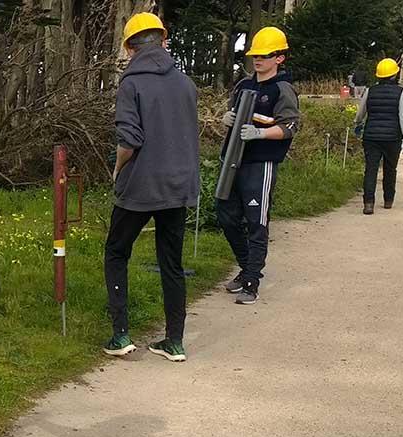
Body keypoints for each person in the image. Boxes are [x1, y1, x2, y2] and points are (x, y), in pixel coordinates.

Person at [103, 13, 199, 363]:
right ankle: (174, 342)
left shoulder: (131, 84)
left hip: (141, 186)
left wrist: (117, 169)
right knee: (171, 262)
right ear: (163, 39)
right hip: (179, 186)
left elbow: (129, 139)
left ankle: (120, 335)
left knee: (116, 252)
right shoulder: (186, 83)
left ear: (130, 48)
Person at [218, 26, 300, 306]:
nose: (258, 60)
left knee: (256, 221)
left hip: (260, 162)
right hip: (232, 160)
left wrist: (261, 132)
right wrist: (227, 119)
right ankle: (245, 267)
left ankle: (252, 281)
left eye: (264, 56)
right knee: (226, 216)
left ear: (279, 58)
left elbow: (290, 127)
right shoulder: (243, 85)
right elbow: (231, 112)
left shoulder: (283, 89)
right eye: (255, 55)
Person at [354, 58, 403, 214]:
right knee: (390, 169)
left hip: (371, 136)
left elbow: (361, 112)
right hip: (393, 137)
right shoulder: (401, 92)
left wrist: (358, 124)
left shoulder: (370, 90)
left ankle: (368, 204)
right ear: (395, 75)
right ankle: (388, 200)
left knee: (371, 169)